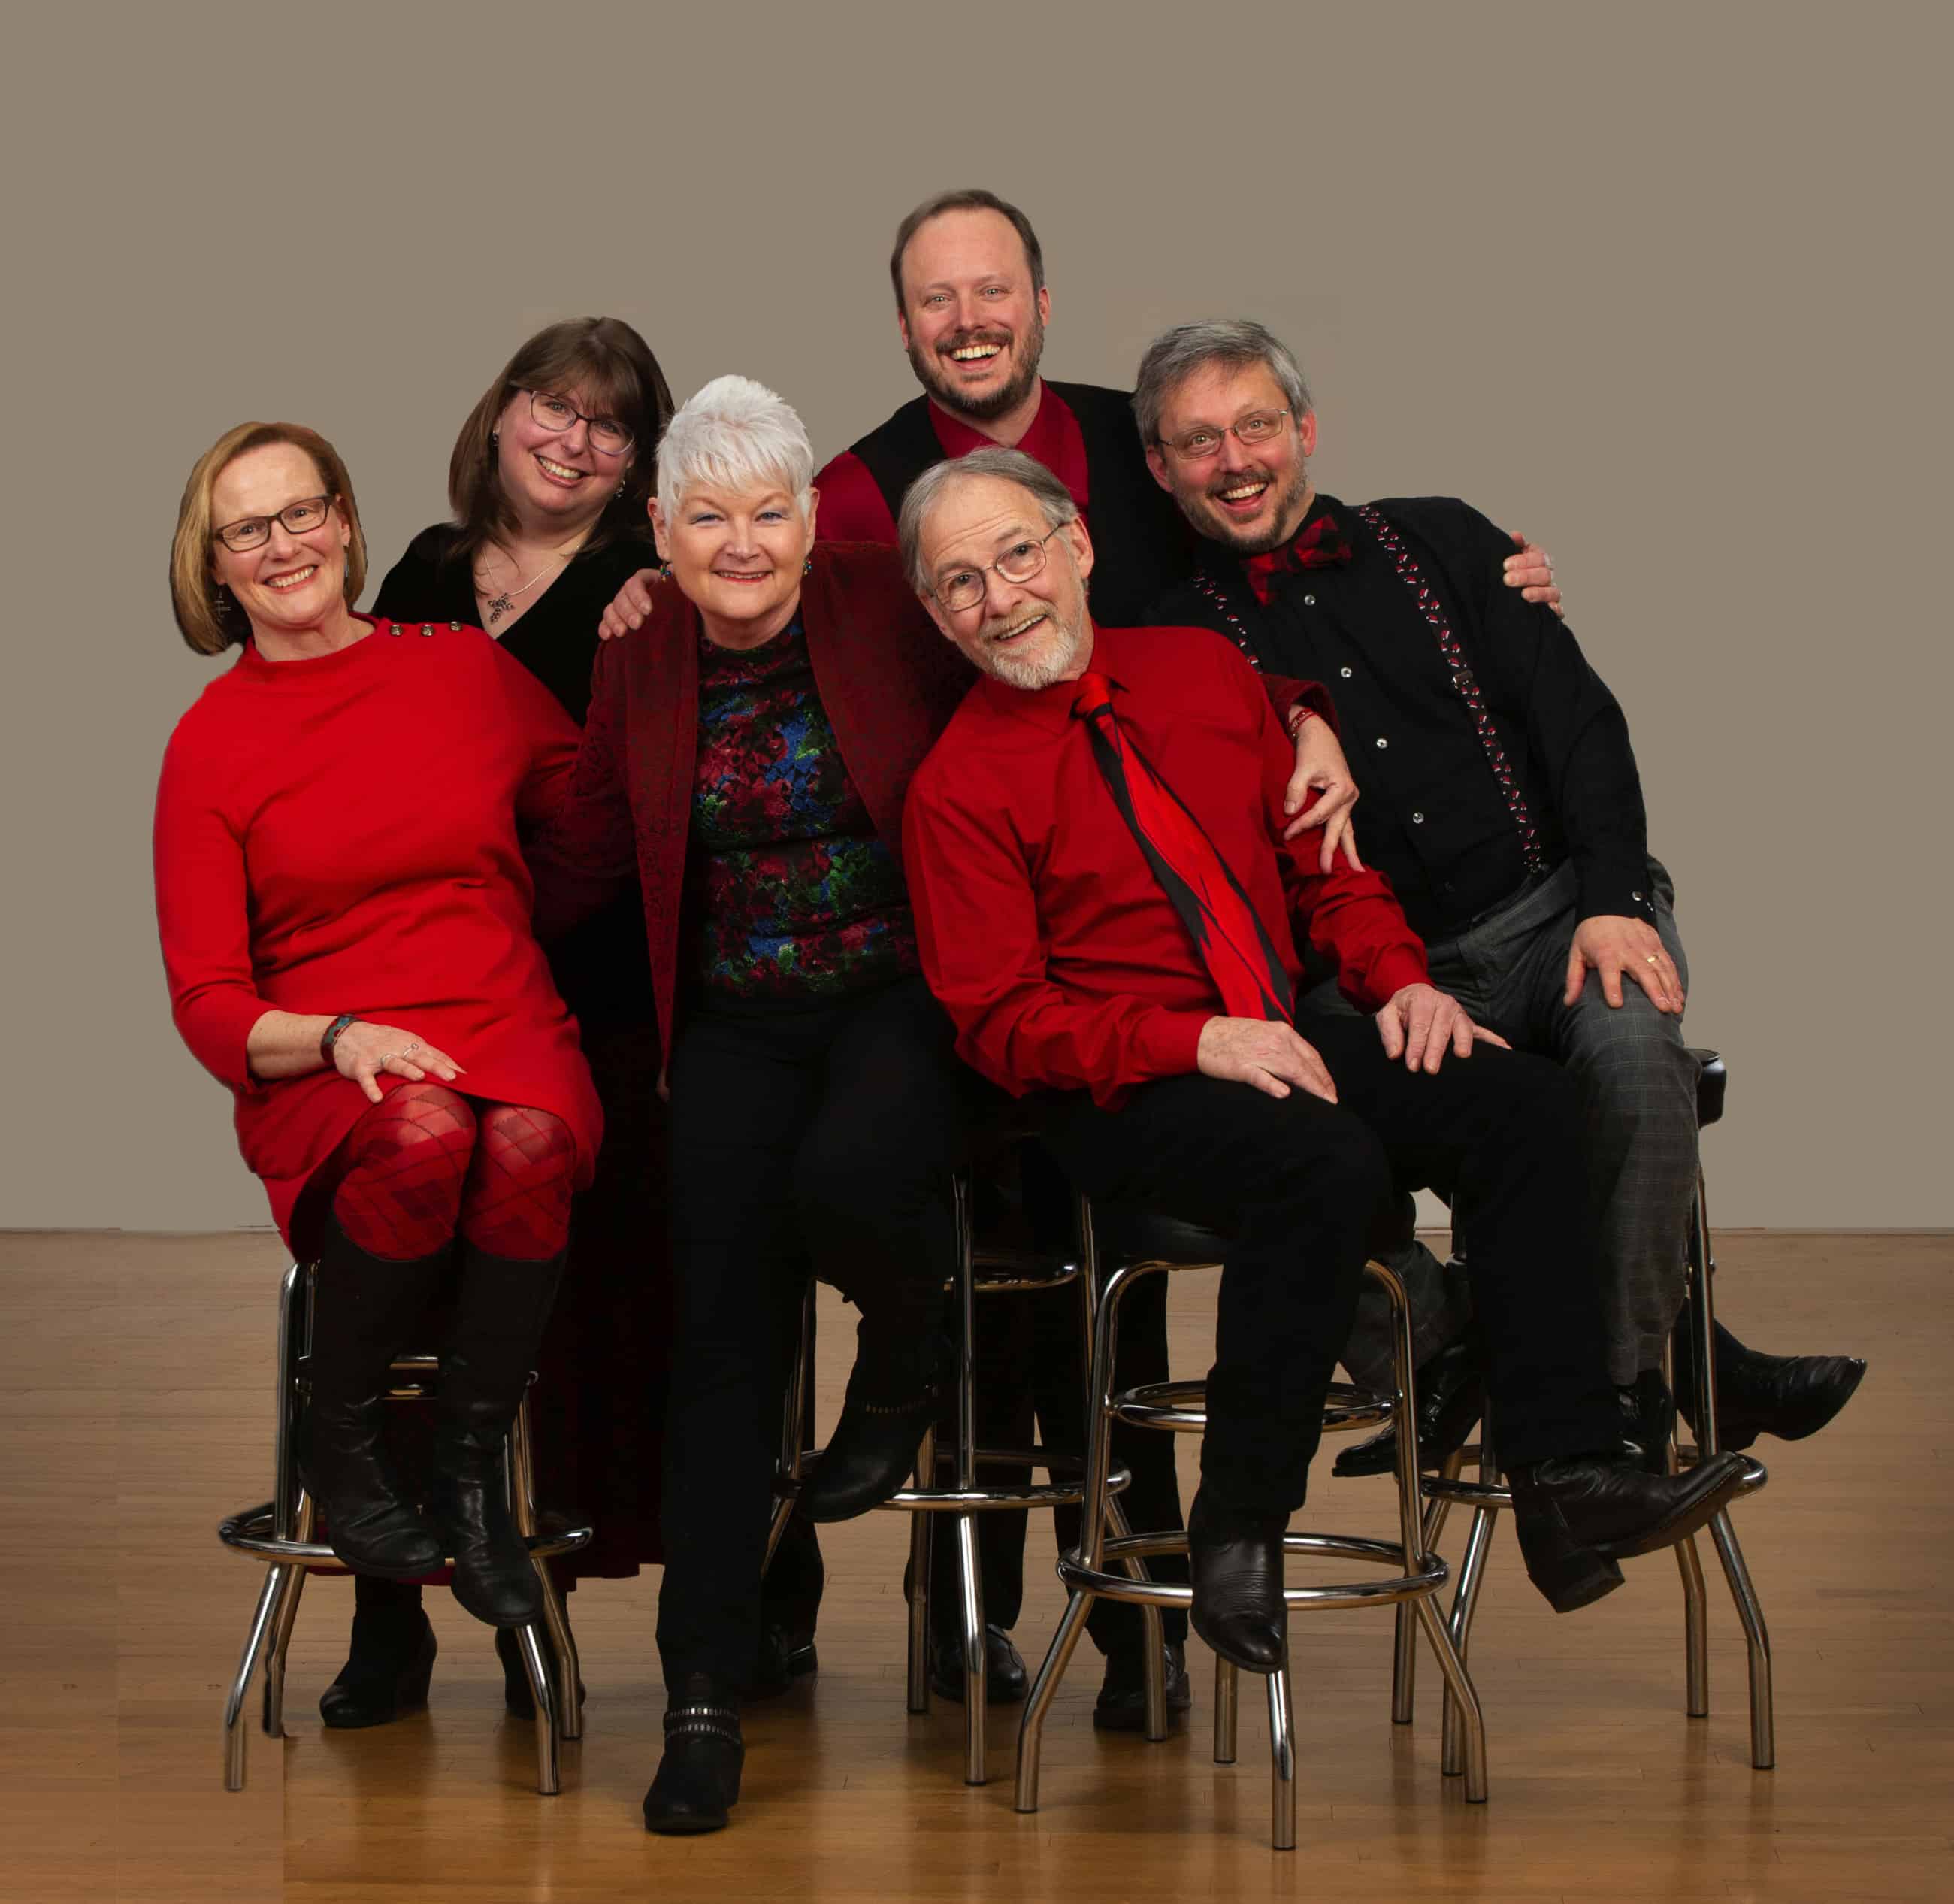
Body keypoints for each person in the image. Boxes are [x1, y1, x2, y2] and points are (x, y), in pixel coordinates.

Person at [897, 448, 1750, 1670]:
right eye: (962, 582)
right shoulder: (955, 788)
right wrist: (1199, 1037)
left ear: (1076, 546)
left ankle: (1567, 1472)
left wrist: (1400, 981)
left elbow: (1326, 870)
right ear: (936, 614)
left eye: (1018, 554)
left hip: (1281, 1034)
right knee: (1326, 1161)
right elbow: (1003, 1021)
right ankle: (1239, 1520)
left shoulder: (1202, 671)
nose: (1002, 597)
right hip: (1126, 1083)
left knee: (1522, 1102)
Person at [1132, 320, 1865, 1472]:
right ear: (1160, 467)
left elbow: (1581, 724)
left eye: (1257, 424)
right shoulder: (1171, 632)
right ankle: (1470, 1350)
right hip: (1363, 974)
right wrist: (1294, 710)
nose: (1236, 461)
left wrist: (1614, 898)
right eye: (1199, 440)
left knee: (1634, 1055)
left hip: (1552, 912)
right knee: (1286, 1120)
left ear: (1306, 428)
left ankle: (1616, 1403)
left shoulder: (1446, 540)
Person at [531, 375, 992, 1835]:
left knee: (845, 1177)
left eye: (770, 511)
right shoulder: (639, 651)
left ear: (809, 518)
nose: (742, 544)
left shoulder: (887, 600)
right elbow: (586, 842)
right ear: (661, 531)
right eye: (709, 517)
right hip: (735, 1019)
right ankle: (702, 1697)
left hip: (898, 994)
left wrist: (1293, 711)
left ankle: (906, 1357)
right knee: (718, 1341)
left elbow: (1052, 661)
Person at [154, 421, 604, 1651]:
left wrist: (653, 635)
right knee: (426, 1130)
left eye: (303, 512)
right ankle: (338, 1436)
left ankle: (468, 1469)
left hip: (501, 1011)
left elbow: (594, 811)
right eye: (248, 529)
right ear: (216, 566)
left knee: (523, 1136)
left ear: (347, 521)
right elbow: (207, 1001)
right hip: (332, 1053)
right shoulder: (210, 741)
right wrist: (338, 1035)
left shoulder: (460, 669)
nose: (284, 545)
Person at [316, 318, 688, 1733]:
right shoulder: (421, 573)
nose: (572, 441)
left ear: (637, 461)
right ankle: (387, 1612)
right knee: (397, 1285)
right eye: (553, 405)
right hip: (420, 978)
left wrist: (664, 605)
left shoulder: (646, 587)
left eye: (610, 424)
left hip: (586, 991)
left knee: (578, 1318)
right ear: (504, 410)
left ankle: (536, 1613)